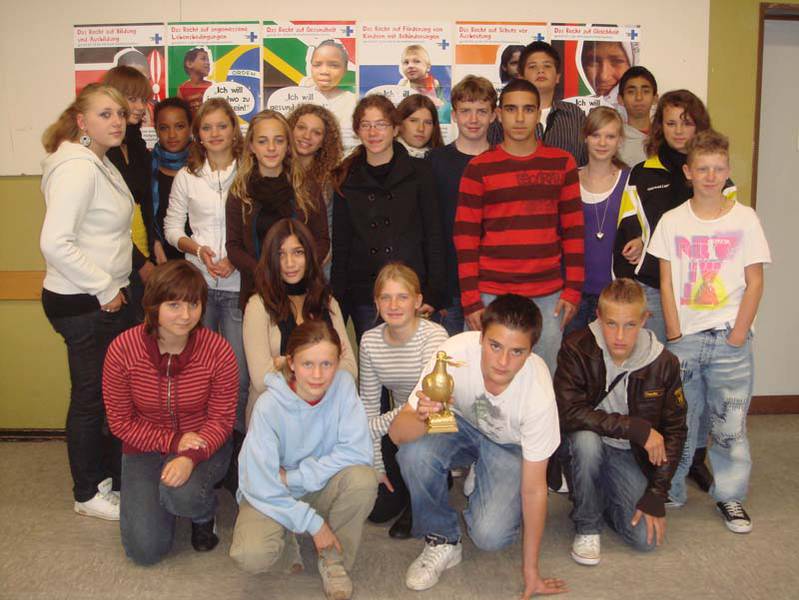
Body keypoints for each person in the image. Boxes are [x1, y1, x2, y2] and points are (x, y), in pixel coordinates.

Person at [388, 294, 565, 598]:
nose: (503, 362)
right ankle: (442, 538)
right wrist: (422, 417)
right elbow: (397, 435)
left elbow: (535, 489)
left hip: (509, 445)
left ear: (531, 352)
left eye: (517, 351)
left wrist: (531, 572)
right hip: (460, 424)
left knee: (490, 537)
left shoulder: (538, 391)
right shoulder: (452, 354)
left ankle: (484, 475)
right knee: (414, 454)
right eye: (495, 345)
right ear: (481, 337)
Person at [648, 130, 771, 533]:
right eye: (702, 169)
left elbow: (755, 282)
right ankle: (672, 489)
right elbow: (666, 282)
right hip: (685, 340)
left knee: (729, 424)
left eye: (718, 169)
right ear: (688, 172)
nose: (711, 176)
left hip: (729, 339)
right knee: (680, 421)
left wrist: (738, 333)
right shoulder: (672, 221)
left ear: (728, 171)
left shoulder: (745, 219)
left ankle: (729, 495)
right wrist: (674, 332)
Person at [615, 91, 727, 493]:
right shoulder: (642, 172)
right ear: (659, 127)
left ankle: (694, 456)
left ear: (700, 125)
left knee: (695, 386)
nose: (679, 130)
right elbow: (628, 223)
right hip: (652, 290)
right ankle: (651, 457)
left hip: (700, 299)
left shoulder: (718, 178)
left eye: (687, 122)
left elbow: (726, 236)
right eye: (671, 122)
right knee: (652, 380)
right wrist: (633, 242)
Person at [39, 83, 135, 520]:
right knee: (90, 399)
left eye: (120, 113)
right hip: (83, 303)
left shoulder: (99, 161)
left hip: (100, 298)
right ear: (81, 121)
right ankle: (87, 494)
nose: (116, 121)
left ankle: (104, 479)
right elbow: (55, 242)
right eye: (104, 114)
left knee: (104, 396)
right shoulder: (76, 167)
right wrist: (104, 287)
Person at [102, 260, 238, 564]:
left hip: (203, 443)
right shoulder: (122, 349)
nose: (186, 315)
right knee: (145, 551)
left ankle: (202, 513)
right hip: (144, 446)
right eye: (174, 305)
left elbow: (221, 419)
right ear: (153, 305)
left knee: (182, 495)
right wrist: (173, 441)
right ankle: (165, 499)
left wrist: (188, 456)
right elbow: (120, 422)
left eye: (193, 304)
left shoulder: (218, 350)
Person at [230, 320, 377, 600]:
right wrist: (314, 524)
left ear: (338, 363)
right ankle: (289, 531)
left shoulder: (344, 386)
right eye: (307, 364)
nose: (318, 375)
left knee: (363, 479)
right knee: (251, 555)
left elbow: (358, 452)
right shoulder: (268, 406)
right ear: (291, 363)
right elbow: (259, 484)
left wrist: (295, 477)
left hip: (314, 484)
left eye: (327, 364)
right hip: (272, 492)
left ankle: (333, 560)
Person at [455, 78, 584, 376]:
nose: (520, 117)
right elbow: (465, 238)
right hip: (490, 292)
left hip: (548, 294)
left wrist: (573, 289)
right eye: (512, 109)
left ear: (538, 114)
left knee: (541, 378)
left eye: (528, 109)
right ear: (499, 114)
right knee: (481, 379)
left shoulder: (561, 163)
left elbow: (574, 230)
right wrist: (471, 299)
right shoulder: (479, 168)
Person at [555, 278, 686, 566]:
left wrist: (657, 493)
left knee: (644, 541)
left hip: (628, 453)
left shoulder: (664, 363)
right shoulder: (576, 347)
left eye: (630, 325)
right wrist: (636, 428)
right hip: (585, 441)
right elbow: (568, 412)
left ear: (644, 320)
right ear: (598, 316)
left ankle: (596, 494)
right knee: (586, 442)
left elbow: (676, 431)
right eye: (611, 323)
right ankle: (587, 526)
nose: (619, 336)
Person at [163, 97, 249, 440]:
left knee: (239, 375)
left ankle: (235, 446)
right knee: (198, 373)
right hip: (197, 289)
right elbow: (172, 228)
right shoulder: (187, 176)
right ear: (198, 134)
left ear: (234, 130)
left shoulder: (250, 170)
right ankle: (202, 442)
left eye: (222, 126)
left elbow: (261, 229)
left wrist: (235, 258)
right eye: (207, 127)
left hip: (239, 286)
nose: (215, 134)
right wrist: (198, 250)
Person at [331, 94, 445, 341]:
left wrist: (433, 292)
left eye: (381, 124)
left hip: (411, 290)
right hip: (366, 294)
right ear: (357, 131)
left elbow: (434, 235)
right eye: (366, 125)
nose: (373, 132)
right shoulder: (345, 177)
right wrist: (337, 299)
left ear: (395, 129)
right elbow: (341, 245)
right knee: (373, 360)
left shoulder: (420, 172)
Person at [359, 263, 448, 538]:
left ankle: (428, 484)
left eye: (403, 297)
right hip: (397, 425)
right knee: (378, 511)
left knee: (416, 452)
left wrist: (373, 427)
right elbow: (369, 406)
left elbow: (424, 402)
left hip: (434, 421)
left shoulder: (434, 335)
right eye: (385, 297)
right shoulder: (370, 342)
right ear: (376, 303)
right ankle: (419, 480)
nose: (394, 305)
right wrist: (377, 467)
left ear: (418, 301)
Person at [242, 217, 356, 424]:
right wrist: (325, 365)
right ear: (270, 259)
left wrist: (282, 363)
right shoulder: (257, 306)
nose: (290, 263)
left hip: (325, 415)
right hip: (274, 420)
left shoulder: (327, 302)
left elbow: (349, 369)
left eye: (297, 252)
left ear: (309, 255)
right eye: (281, 254)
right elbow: (261, 380)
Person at [226, 109, 329, 309]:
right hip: (257, 292)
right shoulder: (239, 192)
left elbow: (322, 240)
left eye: (279, 140)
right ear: (251, 146)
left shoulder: (308, 188)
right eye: (263, 141)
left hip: (304, 294)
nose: (271, 148)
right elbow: (233, 246)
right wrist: (266, 272)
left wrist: (298, 267)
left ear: (288, 145)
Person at [429, 75, 496, 336]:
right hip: (449, 287)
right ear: (454, 115)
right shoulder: (435, 161)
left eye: (482, 111)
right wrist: (436, 289)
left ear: (494, 115)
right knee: (450, 357)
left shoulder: (503, 160)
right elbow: (430, 229)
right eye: (466, 111)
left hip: (493, 284)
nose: (473, 119)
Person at [564, 107, 631, 335]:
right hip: (572, 294)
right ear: (585, 137)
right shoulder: (569, 180)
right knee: (571, 355)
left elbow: (644, 229)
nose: (602, 143)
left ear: (619, 140)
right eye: (596, 135)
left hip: (615, 296)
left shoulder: (631, 181)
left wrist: (640, 242)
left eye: (610, 136)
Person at [102, 65, 156, 320]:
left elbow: (146, 203)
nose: (140, 107)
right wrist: (140, 262)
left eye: (143, 100)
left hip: (143, 249)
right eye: (132, 99)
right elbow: (106, 219)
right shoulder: (102, 149)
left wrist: (154, 248)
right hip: (117, 259)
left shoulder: (136, 145)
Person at [488, 41, 588, 166]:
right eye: (532, 66)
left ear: (558, 77)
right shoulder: (503, 114)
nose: (540, 71)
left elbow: (586, 163)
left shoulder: (574, 115)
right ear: (521, 77)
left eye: (547, 66)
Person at [287, 104, 344, 279]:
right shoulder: (273, 173)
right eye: (301, 128)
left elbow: (331, 234)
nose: (307, 136)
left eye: (316, 132)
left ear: (324, 142)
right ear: (290, 130)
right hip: (276, 266)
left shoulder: (330, 183)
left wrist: (309, 266)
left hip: (317, 269)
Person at [151, 97, 193, 262]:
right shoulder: (146, 169)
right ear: (156, 130)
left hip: (202, 261)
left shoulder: (206, 167)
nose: (172, 135)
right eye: (164, 128)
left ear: (191, 127)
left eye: (179, 126)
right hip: (159, 262)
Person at [300, 40, 357, 136]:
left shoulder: (352, 102)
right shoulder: (301, 95)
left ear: (345, 69)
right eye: (317, 65)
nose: (324, 71)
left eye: (334, 66)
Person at [617, 66, 658, 168]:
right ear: (620, 99)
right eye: (631, 92)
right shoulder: (614, 140)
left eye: (646, 91)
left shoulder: (667, 137)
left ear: (655, 98)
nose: (639, 97)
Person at [396, 94, 444, 158]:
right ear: (399, 123)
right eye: (413, 121)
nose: (421, 129)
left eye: (428, 122)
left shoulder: (443, 159)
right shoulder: (386, 158)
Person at [178, 47, 213, 116]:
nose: (208, 63)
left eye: (208, 60)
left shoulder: (211, 86)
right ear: (189, 64)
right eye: (203, 59)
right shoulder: (182, 89)